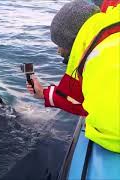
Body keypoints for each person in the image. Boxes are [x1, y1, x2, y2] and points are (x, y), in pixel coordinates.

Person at [26, 0, 120, 153]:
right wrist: (44, 93)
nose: (58, 52)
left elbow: (83, 103)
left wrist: (43, 94)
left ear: (74, 41)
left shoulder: (101, 59)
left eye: (61, 46)